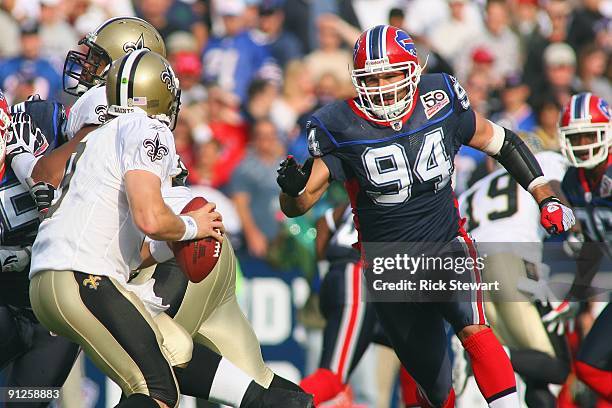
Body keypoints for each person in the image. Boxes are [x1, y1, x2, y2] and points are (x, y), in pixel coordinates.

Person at [277, 24, 575, 407]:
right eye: (373, 78)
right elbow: (299, 205)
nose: (383, 87)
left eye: (390, 74)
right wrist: (291, 189)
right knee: (435, 388)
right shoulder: (340, 124)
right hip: (389, 265)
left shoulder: (440, 98)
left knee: (476, 331)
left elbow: (502, 141)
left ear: (413, 70)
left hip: (445, 244)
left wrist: (544, 195)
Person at [458, 149, 572, 406]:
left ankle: (486, 355)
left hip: (471, 274)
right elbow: (556, 196)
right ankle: (472, 357)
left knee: (532, 374)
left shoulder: (471, 191)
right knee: (557, 367)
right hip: (511, 263)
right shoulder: (544, 159)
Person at [553, 92, 612, 402]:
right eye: (577, 137)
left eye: (591, 134)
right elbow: (588, 245)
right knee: (590, 367)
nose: (585, 143)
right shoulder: (572, 182)